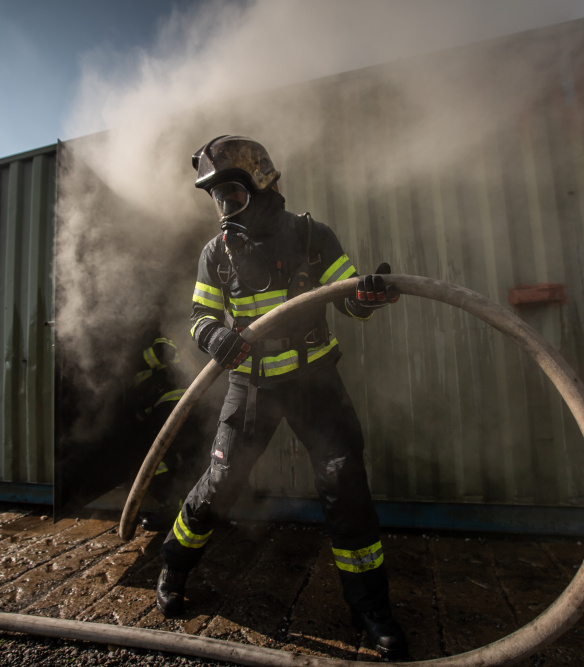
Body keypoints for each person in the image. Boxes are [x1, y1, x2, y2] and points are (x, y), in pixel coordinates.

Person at [155, 135, 408, 660]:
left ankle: (372, 613)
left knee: (344, 481)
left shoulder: (314, 237)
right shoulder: (215, 255)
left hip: (316, 382)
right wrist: (212, 337)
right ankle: (173, 566)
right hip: (251, 387)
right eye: (217, 199)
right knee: (222, 480)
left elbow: (350, 305)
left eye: (234, 196)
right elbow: (201, 317)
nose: (225, 210)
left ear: (264, 185)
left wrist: (369, 296)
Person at [129, 329, 204, 531]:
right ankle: (187, 509)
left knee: (160, 459)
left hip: (175, 408)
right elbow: (142, 401)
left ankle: (176, 506)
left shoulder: (161, 344)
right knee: (175, 459)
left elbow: (164, 350)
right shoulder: (139, 377)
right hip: (173, 412)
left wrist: (133, 359)